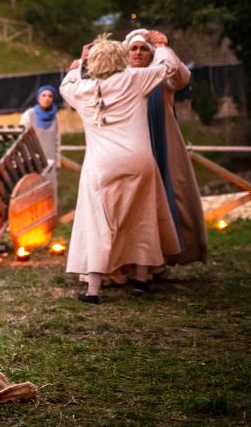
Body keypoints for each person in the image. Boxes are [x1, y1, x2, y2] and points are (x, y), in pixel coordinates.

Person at [60, 34, 181, 304]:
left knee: (98, 223)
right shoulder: (135, 79)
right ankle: (141, 278)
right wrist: (161, 47)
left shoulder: (82, 89)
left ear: (96, 62)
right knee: (143, 216)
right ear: (121, 57)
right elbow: (168, 68)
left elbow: (66, 83)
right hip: (140, 160)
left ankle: (93, 291)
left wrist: (81, 60)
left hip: (101, 165)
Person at [124, 29, 208, 270]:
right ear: (127, 52)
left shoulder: (161, 75)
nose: (138, 53)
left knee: (167, 200)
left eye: (143, 49)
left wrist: (162, 46)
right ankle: (132, 263)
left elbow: (182, 77)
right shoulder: (122, 77)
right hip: (131, 146)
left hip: (162, 144)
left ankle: (161, 260)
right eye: (134, 49)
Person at [19, 85, 61, 204]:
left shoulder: (55, 118)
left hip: (49, 161)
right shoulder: (29, 115)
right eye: (44, 95)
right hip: (33, 161)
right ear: (38, 98)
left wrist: (57, 162)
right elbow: (21, 139)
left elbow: (57, 140)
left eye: (50, 96)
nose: (47, 98)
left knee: (49, 190)